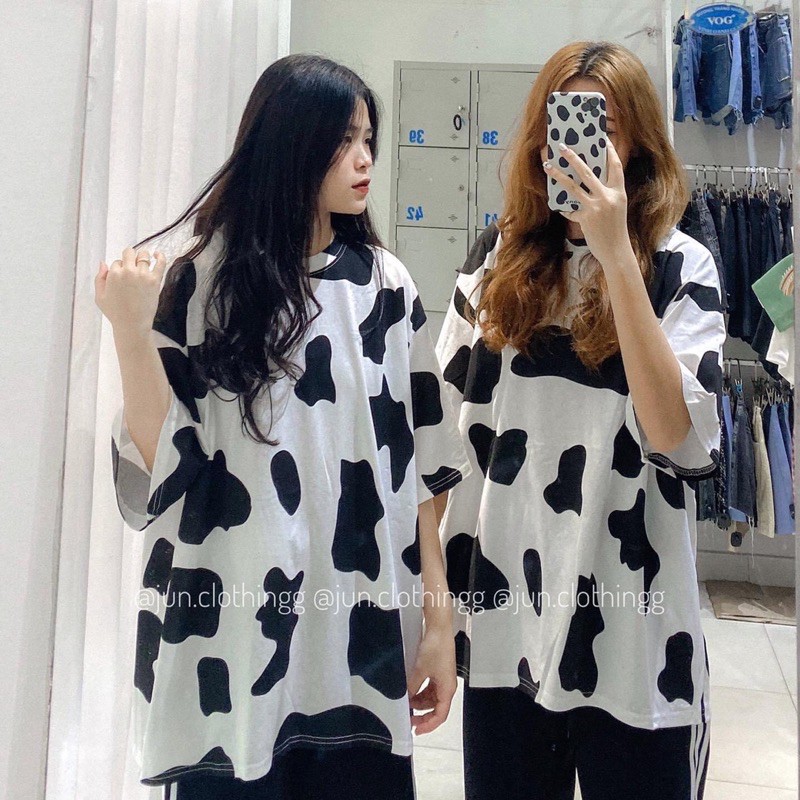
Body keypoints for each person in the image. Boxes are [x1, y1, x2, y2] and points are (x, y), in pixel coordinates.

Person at [94, 53, 471, 800]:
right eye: (343, 140)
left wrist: (439, 622)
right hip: (234, 651)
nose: (364, 159)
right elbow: (162, 467)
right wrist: (131, 332)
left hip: (359, 650)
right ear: (290, 143)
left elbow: (423, 474)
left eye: (368, 138)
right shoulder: (203, 285)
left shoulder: (386, 288)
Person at [434, 41, 725, 800]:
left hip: (635, 634)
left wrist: (618, 256)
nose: (579, 146)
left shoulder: (680, 265)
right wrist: (433, 612)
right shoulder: (495, 262)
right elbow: (440, 443)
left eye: (606, 129)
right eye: (562, 123)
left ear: (639, 148)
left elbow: (679, 436)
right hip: (506, 624)